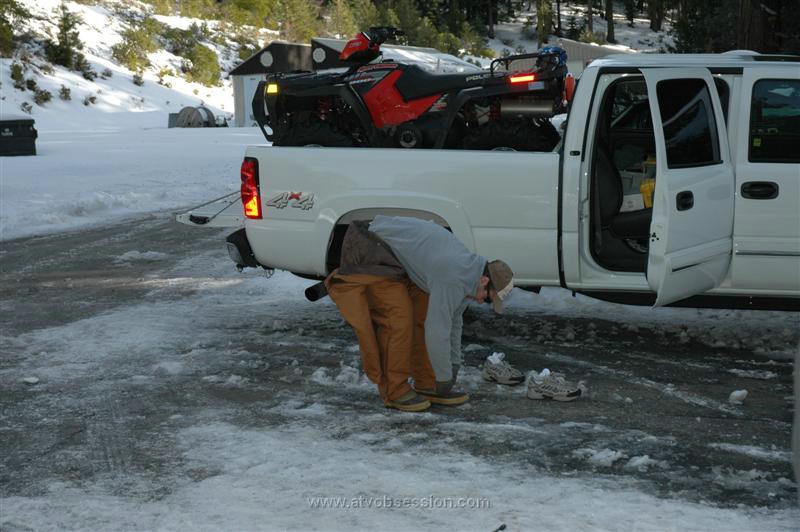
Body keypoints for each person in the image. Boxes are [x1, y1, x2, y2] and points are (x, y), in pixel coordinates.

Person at [325, 216, 514, 412]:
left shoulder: (469, 275)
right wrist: (444, 377)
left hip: (398, 258)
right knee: (399, 318)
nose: (482, 301)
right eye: (489, 298)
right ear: (484, 281)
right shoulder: (454, 274)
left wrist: (453, 368)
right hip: (371, 245)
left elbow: (454, 322)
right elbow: (437, 330)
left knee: (424, 312)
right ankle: (394, 390)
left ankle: (428, 383)